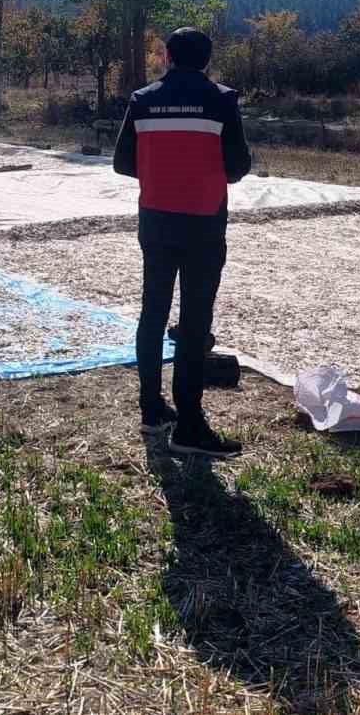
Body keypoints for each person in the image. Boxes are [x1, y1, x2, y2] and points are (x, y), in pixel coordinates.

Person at [114, 27, 252, 457]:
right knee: (194, 322)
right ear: (207, 61)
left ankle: (152, 409)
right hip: (204, 224)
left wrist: (163, 173)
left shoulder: (142, 100)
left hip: (155, 220)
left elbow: (122, 162)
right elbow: (237, 166)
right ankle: (189, 424)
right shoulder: (222, 100)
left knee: (151, 313)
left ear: (168, 57)